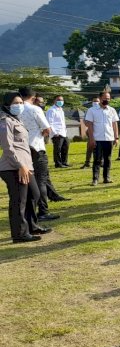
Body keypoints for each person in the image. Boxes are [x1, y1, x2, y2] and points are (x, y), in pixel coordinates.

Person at [0, 92, 51, 243]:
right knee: (19, 201)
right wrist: (20, 165)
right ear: (8, 105)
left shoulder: (16, 119)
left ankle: (31, 226)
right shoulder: (5, 121)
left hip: (26, 166)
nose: (20, 106)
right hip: (13, 167)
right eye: (16, 103)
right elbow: (8, 147)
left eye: (21, 103)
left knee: (34, 195)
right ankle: (19, 234)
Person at [18, 87, 66, 216]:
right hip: (36, 147)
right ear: (33, 98)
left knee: (27, 181)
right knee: (41, 180)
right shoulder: (34, 109)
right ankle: (43, 211)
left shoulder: (13, 110)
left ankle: (29, 211)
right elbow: (47, 129)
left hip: (22, 149)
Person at [85, 91, 119, 186]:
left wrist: (116, 137)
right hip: (98, 138)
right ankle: (95, 179)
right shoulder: (92, 110)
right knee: (97, 159)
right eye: (105, 98)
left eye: (108, 98)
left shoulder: (112, 110)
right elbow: (90, 125)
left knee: (108, 159)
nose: (107, 100)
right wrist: (91, 139)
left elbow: (114, 124)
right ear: (100, 98)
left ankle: (106, 178)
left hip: (109, 138)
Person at [46, 95, 70, 167]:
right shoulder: (51, 110)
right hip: (56, 133)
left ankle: (64, 162)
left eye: (62, 100)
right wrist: (55, 133)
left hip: (63, 132)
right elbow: (49, 122)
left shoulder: (61, 110)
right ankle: (58, 163)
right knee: (57, 149)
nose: (60, 101)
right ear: (54, 101)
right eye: (58, 100)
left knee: (66, 146)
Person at [80, 97, 100, 168]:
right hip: (91, 131)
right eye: (94, 101)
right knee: (90, 146)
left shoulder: (102, 110)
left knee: (100, 148)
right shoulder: (89, 110)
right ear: (92, 102)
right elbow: (85, 121)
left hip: (100, 132)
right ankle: (87, 162)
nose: (96, 103)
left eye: (97, 101)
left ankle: (100, 162)